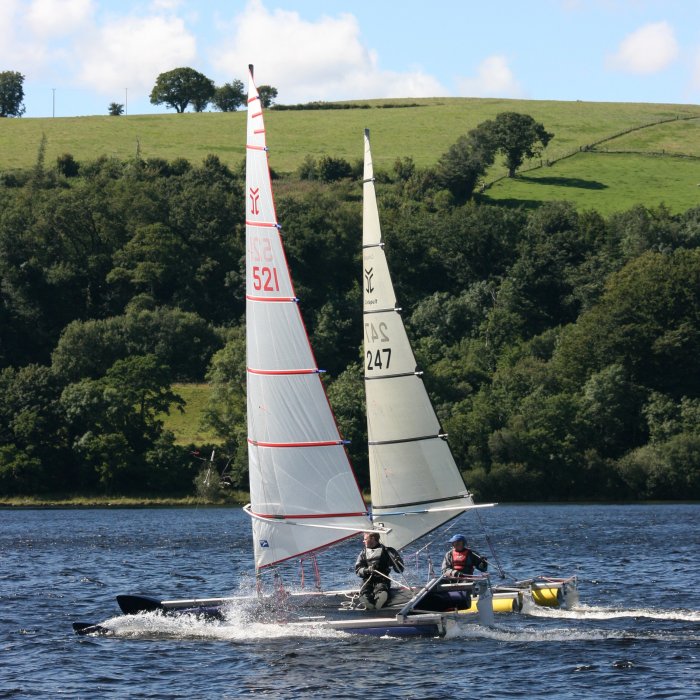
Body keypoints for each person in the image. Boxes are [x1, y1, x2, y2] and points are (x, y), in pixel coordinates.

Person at [355, 532, 404, 610]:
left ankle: (380, 599)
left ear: (372, 539)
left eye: (365, 539)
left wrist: (397, 562)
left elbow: (400, 570)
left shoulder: (388, 551)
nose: (363, 541)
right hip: (367, 579)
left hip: (382, 579)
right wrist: (366, 570)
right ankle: (367, 601)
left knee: (381, 588)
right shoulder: (363, 553)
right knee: (365, 589)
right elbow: (358, 570)